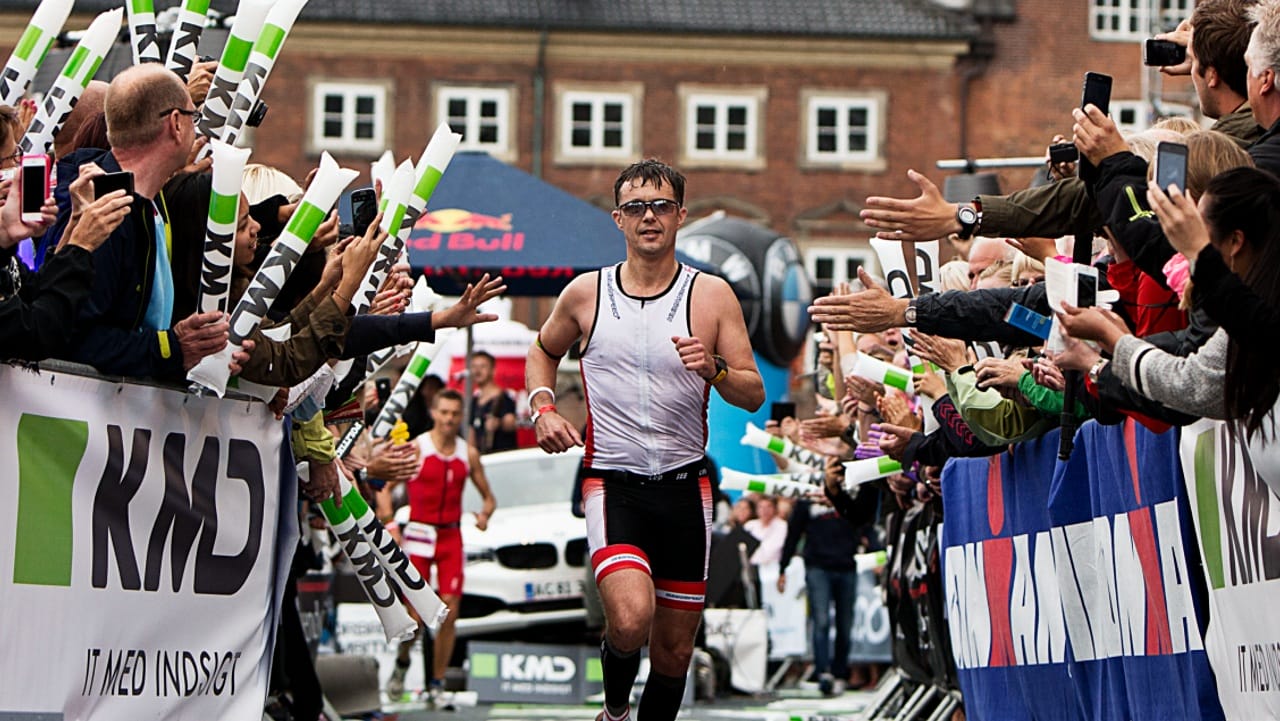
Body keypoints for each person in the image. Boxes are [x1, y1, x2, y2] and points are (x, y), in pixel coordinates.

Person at [526, 159, 763, 721]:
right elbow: (542, 350)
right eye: (635, 207)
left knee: (675, 650)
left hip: (685, 489)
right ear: (618, 219)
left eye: (660, 206)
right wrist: (542, 407)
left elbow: (753, 393)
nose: (648, 217)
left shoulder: (712, 296)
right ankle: (613, 712)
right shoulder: (586, 293)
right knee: (631, 619)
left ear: (681, 215)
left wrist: (715, 369)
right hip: (614, 485)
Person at [46, 64, 240, 380]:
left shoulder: (146, 201)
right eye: (194, 118)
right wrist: (172, 349)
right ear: (176, 124)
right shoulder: (107, 210)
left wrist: (196, 348)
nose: (196, 129)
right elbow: (75, 337)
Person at [393, 388, 496, 706]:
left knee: (449, 611)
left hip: (450, 536)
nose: (449, 419)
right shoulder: (417, 447)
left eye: (455, 413)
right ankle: (402, 661)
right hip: (419, 534)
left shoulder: (468, 453)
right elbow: (385, 485)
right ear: (434, 413)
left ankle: (437, 683)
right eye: (444, 412)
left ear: (461, 416)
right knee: (416, 615)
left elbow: (489, 498)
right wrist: (389, 521)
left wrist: (484, 515)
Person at [468, 350, 518, 453]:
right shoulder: (474, 401)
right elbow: (471, 432)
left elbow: (511, 422)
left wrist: (499, 423)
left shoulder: (503, 398)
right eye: (474, 366)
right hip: (481, 456)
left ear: (492, 370)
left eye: (483, 366)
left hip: (500, 456)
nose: (477, 371)